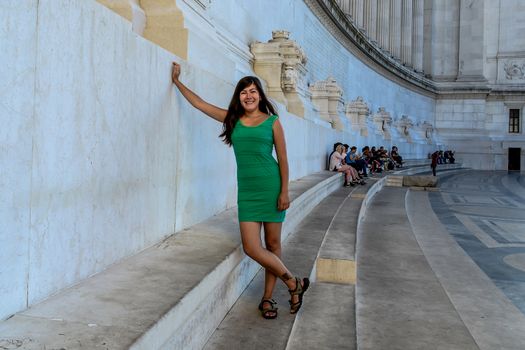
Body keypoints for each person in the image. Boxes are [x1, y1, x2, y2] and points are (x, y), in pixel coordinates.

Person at [171, 62, 309, 319]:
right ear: (238, 97)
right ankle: (293, 284)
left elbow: (284, 159)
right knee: (252, 247)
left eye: (253, 91)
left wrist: (284, 192)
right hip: (247, 192)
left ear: (260, 96)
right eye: (244, 91)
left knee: (274, 244)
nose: (249, 95)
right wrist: (178, 82)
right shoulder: (232, 120)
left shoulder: (273, 122)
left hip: (271, 187)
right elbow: (200, 104)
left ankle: (267, 299)